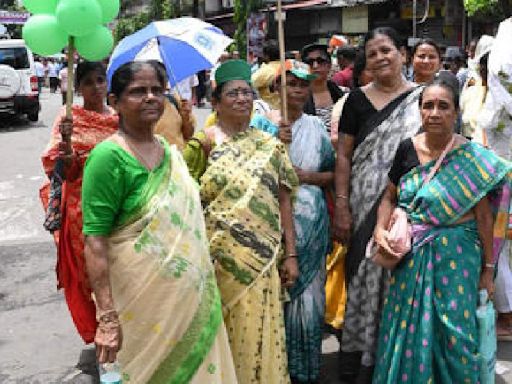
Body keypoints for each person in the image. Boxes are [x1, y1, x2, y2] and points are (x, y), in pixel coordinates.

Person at [81, 61, 238, 383]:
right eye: (138, 91)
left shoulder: (169, 152)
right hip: (140, 304)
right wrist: (107, 319)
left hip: (187, 300)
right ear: (115, 101)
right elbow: (94, 240)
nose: (151, 97)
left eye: (157, 90)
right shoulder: (107, 157)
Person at [373, 76, 512, 384]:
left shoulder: (471, 157)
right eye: (428, 106)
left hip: (459, 256)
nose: (434, 113)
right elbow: (388, 197)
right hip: (412, 255)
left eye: (443, 106)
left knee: (456, 334)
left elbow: (484, 220)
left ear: (455, 113)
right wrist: (380, 231)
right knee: (411, 327)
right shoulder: (407, 149)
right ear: (420, 111)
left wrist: (488, 270)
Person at [183, 59, 299, 384]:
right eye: (233, 93)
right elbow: (183, 199)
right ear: (216, 102)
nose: (242, 99)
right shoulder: (203, 144)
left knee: (263, 333)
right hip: (217, 261)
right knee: (223, 336)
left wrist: (291, 254)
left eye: (247, 92)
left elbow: (284, 198)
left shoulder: (270, 145)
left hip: (264, 260)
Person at [332, 27, 422, 383]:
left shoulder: (421, 98)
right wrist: (341, 205)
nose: (381, 57)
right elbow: (343, 156)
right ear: (365, 62)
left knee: (399, 278)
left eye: (387, 50)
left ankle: (396, 358)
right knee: (363, 276)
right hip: (361, 203)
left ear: (402, 53)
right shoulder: (356, 100)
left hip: (408, 206)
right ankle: (360, 359)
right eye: (373, 54)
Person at [251, 60, 335, 383]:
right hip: (273, 226)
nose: (298, 89)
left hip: (312, 224)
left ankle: (306, 371)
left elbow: (331, 173)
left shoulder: (315, 127)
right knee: (276, 301)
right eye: (291, 83)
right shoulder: (259, 125)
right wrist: (275, 136)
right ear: (276, 88)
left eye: (303, 84)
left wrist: (308, 176)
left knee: (310, 302)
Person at [40, 61, 119, 344]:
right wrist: (68, 151)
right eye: (89, 82)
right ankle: (101, 331)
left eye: (101, 80)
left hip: (119, 205)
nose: (96, 87)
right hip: (81, 208)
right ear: (78, 87)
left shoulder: (119, 116)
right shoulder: (69, 118)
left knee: (122, 269)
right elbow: (53, 165)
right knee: (91, 273)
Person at [478, 17, 512, 340]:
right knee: (501, 241)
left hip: (503, 162)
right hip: (503, 161)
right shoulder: (506, 31)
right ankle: (507, 313)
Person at [302, 43, 344, 133]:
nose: (315, 66)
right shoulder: (298, 97)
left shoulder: (344, 94)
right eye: (310, 62)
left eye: (320, 61)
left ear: (329, 65)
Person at [460, 45, 492, 144]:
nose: (483, 71)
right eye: (482, 68)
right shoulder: (472, 87)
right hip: (471, 144)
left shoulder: (503, 94)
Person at [251, 39, 281, 109]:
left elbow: (250, 84)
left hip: (269, 112)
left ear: (266, 56)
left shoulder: (265, 71)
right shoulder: (288, 67)